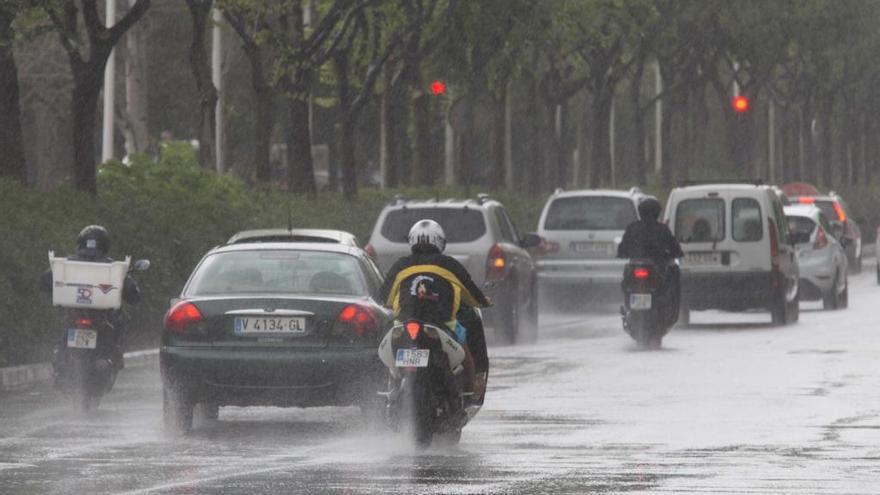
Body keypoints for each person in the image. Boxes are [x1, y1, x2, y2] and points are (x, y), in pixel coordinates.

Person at [379, 219, 491, 405]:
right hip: (443, 324)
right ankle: (471, 394)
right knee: (467, 355)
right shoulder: (450, 265)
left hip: (405, 324)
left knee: (386, 344)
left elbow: (384, 296)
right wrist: (484, 301)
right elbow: (472, 295)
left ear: (412, 241)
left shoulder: (401, 265)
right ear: (440, 242)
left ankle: (389, 388)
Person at [40, 225, 142, 371]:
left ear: (80, 242)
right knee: (120, 323)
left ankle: (61, 357)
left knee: (62, 326)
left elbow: (44, 280)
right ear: (105, 245)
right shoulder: (113, 268)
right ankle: (111, 359)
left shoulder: (66, 264)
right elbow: (133, 294)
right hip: (100, 318)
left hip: (74, 313)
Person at [617, 197, 684, 325]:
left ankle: (628, 305)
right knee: (674, 273)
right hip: (657, 268)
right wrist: (674, 253)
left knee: (626, 278)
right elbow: (675, 248)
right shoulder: (662, 229)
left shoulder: (632, 228)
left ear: (640, 212)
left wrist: (623, 253)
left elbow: (622, 249)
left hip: (638, 268)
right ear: (657, 212)